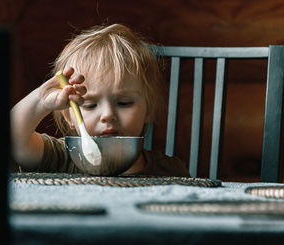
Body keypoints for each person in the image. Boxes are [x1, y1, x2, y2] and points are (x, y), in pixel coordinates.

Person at [11, 23, 190, 177]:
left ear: (148, 109)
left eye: (123, 103)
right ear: (69, 116)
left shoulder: (170, 171)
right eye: (90, 105)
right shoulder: (60, 157)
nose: (108, 115)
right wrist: (41, 102)